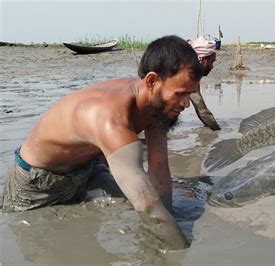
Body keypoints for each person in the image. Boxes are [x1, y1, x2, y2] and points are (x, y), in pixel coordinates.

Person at [1, 35, 204, 250]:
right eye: (180, 94)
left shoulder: (156, 105)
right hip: (38, 183)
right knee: (43, 243)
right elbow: (150, 209)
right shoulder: (110, 119)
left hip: (87, 169)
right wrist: (183, 253)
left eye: (189, 94)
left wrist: (171, 221)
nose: (185, 105)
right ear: (152, 81)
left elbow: (160, 170)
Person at [187, 37, 221, 130]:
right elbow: (203, 112)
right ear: (203, 59)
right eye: (212, 61)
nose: (212, 66)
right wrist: (217, 131)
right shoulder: (189, 76)